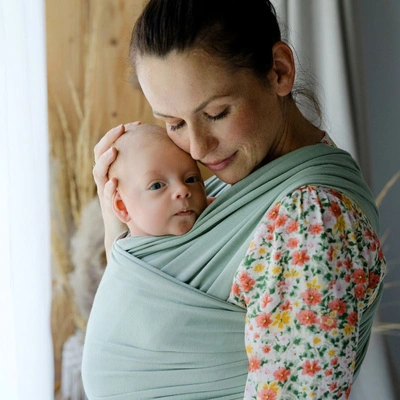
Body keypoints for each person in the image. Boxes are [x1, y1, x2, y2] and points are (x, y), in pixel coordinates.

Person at [82, 1, 386, 399]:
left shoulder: (310, 218)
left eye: (216, 113)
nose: (197, 147)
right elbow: (140, 308)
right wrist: (120, 219)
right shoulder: (239, 187)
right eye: (174, 123)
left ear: (279, 71)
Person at [107, 123, 208, 237]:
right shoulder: (132, 249)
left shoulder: (217, 210)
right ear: (123, 207)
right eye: (157, 186)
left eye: (191, 179)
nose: (183, 189)